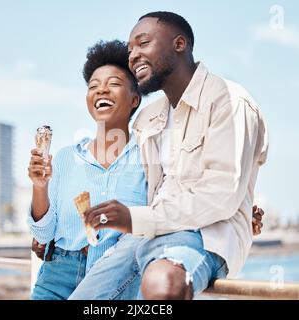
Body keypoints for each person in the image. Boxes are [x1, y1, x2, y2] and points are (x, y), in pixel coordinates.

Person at [68, 11, 269, 300]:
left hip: (205, 236)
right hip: (144, 235)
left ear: (179, 44)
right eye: (130, 50)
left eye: (143, 43)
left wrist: (136, 218)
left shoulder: (230, 101)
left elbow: (221, 196)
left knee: (163, 284)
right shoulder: (148, 118)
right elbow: (134, 182)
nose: (133, 55)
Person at [27, 40, 145, 299]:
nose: (101, 90)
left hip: (115, 280)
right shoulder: (65, 158)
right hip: (57, 275)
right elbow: (44, 233)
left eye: (113, 83)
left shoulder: (148, 158)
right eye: (93, 86)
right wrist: (40, 186)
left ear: (134, 99)